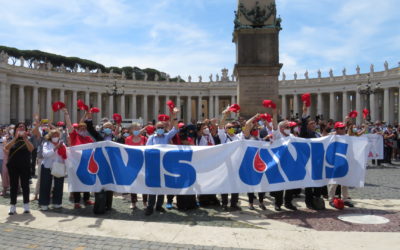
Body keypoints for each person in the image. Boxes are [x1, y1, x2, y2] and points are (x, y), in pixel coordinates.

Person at [145, 108, 179, 216]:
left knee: (162, 186)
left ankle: (159, 206)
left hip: (164, 164)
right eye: (158, 127)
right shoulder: (151, 138)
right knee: (153, 186)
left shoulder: (167, 136)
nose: (160, 129)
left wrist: (174, 116)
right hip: (153, 164)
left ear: (164, 128)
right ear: (155, 128)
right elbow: (147, 150)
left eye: (162, 127)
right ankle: (150, 206)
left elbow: (176, 128)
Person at [63, 108, 95, 209]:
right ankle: (77, 201)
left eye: (84, 129)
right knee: (76, 181)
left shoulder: (88, 138)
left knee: (87, 180)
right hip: (75, 163)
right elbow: (69, 126)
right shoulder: (74, 136)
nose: (83, 130)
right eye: (81, 129)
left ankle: (86, 199)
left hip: (86, 163)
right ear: (78, 130)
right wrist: (66, 114)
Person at [268, 109, 298, 211]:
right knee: (279, 185)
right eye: (287, 127)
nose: (289, 128)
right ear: (281, 128)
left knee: (290, 184)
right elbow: (274, 125)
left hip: (291, 162)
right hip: (279, 163)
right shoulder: (278, 135)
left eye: (289, 127)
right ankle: (278, 203)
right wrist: (275, 114)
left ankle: (288, 202)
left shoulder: (292, 136)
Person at [5, 122, 34, 215]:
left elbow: (31, 149)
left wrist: (25, 139)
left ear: (25, 129)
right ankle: (12, 205)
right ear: (16, 129)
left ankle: (26, 205)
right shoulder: (10, 138)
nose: (21, 128)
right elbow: (6, 147)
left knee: (25, 185)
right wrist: (15, 138)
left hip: (25, 165)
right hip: (13, 165)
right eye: (19, 127)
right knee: (13, 186)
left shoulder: (28, 138)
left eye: (23, 127)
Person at [299, 102, 324, 210]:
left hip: (317, 160)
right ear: (308, 126)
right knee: (309, 183)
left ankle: (317, 199)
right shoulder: (305, 133)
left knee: (318, 181)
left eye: (314, 124)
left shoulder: (318, 134)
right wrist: (304, 113)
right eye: (312, 124)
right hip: (308, 160)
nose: (314, 125)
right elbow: (303, 125)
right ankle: (309, 202)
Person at [241, 113, 267, 210]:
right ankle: (251, 203)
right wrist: (254, 117)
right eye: (255, 129)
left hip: (260, 163)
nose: (257, 130)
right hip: (250, 163)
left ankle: (261, 202)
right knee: (251, 185)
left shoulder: (259, 138)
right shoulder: (247, 136)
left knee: (262, 184)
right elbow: (247, 124)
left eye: (257, 129)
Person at [218, 107, 241, 211]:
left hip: (236, 164)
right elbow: (220, 126)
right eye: (229, 127)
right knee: (224, 184)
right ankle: (224, 203)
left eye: (232, 127)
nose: (231, 128)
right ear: (226, 129)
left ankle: (234, 203)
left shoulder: (238, 137)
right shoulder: (223, 137)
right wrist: (225, 116)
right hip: (225, 164)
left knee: (235, 184)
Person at [328, 122, 354, 208]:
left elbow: (353, 135)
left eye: (343, 128)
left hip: (344, 161)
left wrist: (350, 126)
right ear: (337, 129)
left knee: (345, 181)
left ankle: (345, 199)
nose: (343, 129)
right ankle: (331, 199)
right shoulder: (332, 136)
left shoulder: (346, 136)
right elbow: (323, 137)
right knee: (334, 181)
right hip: (335, 161)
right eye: (341, 128)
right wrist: (333, 133)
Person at [39, 129, 66, 210]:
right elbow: (46, 154)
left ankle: (57, 202)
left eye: (57, 135)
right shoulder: (46, 143)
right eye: (54, 136)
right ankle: (44, 203)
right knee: (45, 185)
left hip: (59, 166)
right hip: (47, 166)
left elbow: (65, 154)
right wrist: (55, 148)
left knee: (59, 185)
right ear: (50, 136)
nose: (56, 137)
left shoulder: (62, 144)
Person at [124, 122, 148, 209]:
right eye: (134, 128)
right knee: (133, 183)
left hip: (143, 163)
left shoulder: (144, 138)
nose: (136, 130)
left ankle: (145, 202)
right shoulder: (128, 139)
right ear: (131, 130)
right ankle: (133, 202)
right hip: (132, 163)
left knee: (144, 183)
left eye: (138, 128)